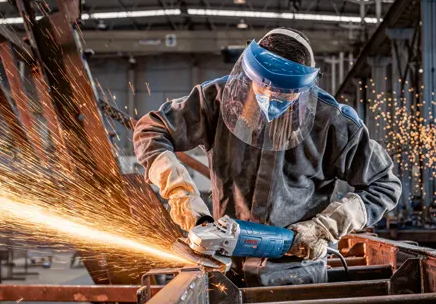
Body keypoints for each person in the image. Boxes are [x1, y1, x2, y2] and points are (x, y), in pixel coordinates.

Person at [133, 28, 401, 286]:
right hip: (223, 268)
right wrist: (182, 197)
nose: (272, 98)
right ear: (249, 75)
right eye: (263, 86)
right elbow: (150, 130)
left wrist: (324, 227)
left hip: (297, 276)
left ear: (303, 88)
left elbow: (385, 185)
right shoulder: (216, 100)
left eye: (284, 92)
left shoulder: (332, 122)